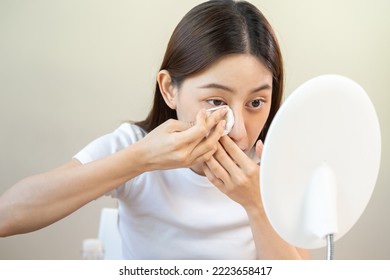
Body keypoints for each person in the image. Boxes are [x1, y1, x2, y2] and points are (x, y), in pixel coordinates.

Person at [0, 0, 309, 259]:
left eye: (256, 102)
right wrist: (141, 159)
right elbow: (8, 215)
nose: (238, 131)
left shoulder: (274, 168)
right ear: (169, 89)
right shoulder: (136, 145)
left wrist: (257, 204)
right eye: (216, 100)